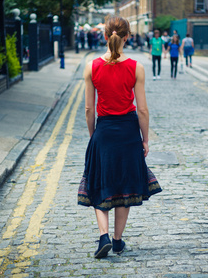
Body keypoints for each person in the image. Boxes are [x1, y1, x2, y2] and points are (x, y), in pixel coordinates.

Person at [78, 15, 162, 259]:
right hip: (128, 132)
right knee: (124, 188)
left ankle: (102, 235)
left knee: (99, 184)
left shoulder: (91, 67)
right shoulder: (136, 67)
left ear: (105, 36)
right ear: (128, 37)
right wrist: (144, 139)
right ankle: (116, 241)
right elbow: (143, 110)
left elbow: (88, 109)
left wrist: (95, 135)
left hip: (104, 131)